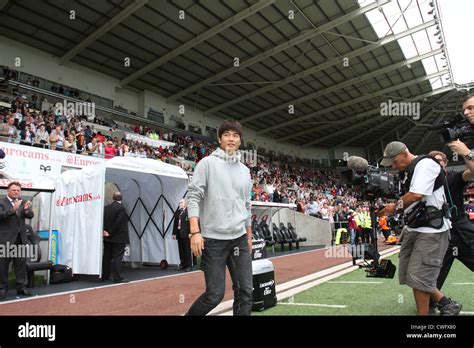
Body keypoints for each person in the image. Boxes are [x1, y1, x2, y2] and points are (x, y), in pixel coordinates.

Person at [186, 120, 253, 316]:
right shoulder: (207, 163)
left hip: (239, 239)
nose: (231, 139)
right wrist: (195, 232)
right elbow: (193, 197)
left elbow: (246, 206)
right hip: (213, 240)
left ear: (240, 141)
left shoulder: (245, 171)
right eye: (226, 135)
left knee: (245, 291)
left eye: (235, 135)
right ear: (220, 139)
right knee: (214, 294)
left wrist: (248, 236)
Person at [378, 141, 451, 315]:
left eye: (395, 162)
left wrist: (394, 207)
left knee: (419, 276)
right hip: (416, 227)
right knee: (411, 274)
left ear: (405, 153)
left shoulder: (425, 164)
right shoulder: (408, 171)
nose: (394, 167)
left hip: (432, 230)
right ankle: (445, 303)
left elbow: (417, 194)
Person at [0, 182, 34, 299]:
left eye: (18, 190)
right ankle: (2, 289)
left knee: (21, 265)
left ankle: (21, 287)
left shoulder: (22, 202)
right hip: (5, 240)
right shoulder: (1, 202)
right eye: (14, 190)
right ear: (8, 191)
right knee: (3, 266)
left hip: (20, 240)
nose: (16, 192)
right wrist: (12, 210)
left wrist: (27, 209)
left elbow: (30, 215)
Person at [102, 192, 130, 283]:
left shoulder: (106, 208)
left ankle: (105, 276)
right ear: (121, 198)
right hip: (118, 237)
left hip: (107, 237)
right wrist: (110, 232)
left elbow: (104, 221)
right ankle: (117, 277)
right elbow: (118, 223)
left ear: (113, 198)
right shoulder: (122, 208)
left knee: (107, 257)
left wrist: (106, 232)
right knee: (117, 257)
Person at [172, 199, 192, 272]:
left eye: (181, 202)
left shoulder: (188, 212)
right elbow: (175, 223)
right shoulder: (178, 212)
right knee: (181, 250)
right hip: (179, 233)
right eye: (179, 202)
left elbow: (190, 223)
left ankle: (188, 265)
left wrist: (190, 232)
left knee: (187, 250)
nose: (180, 204)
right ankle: (182, 264)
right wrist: (174, 233)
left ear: (185, 204)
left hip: (186, 234)